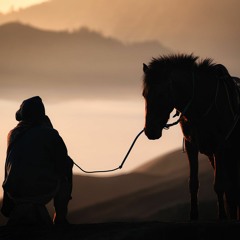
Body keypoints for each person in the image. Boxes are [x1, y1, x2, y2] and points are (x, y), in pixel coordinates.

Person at [1, 96, 73, 226]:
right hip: (38, 189)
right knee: (67, 165)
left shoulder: (12, 134)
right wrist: (50, 128)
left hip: (13, 191)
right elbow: (62, 161)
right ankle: (60, 217)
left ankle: (8, 205)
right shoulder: (50, 134)